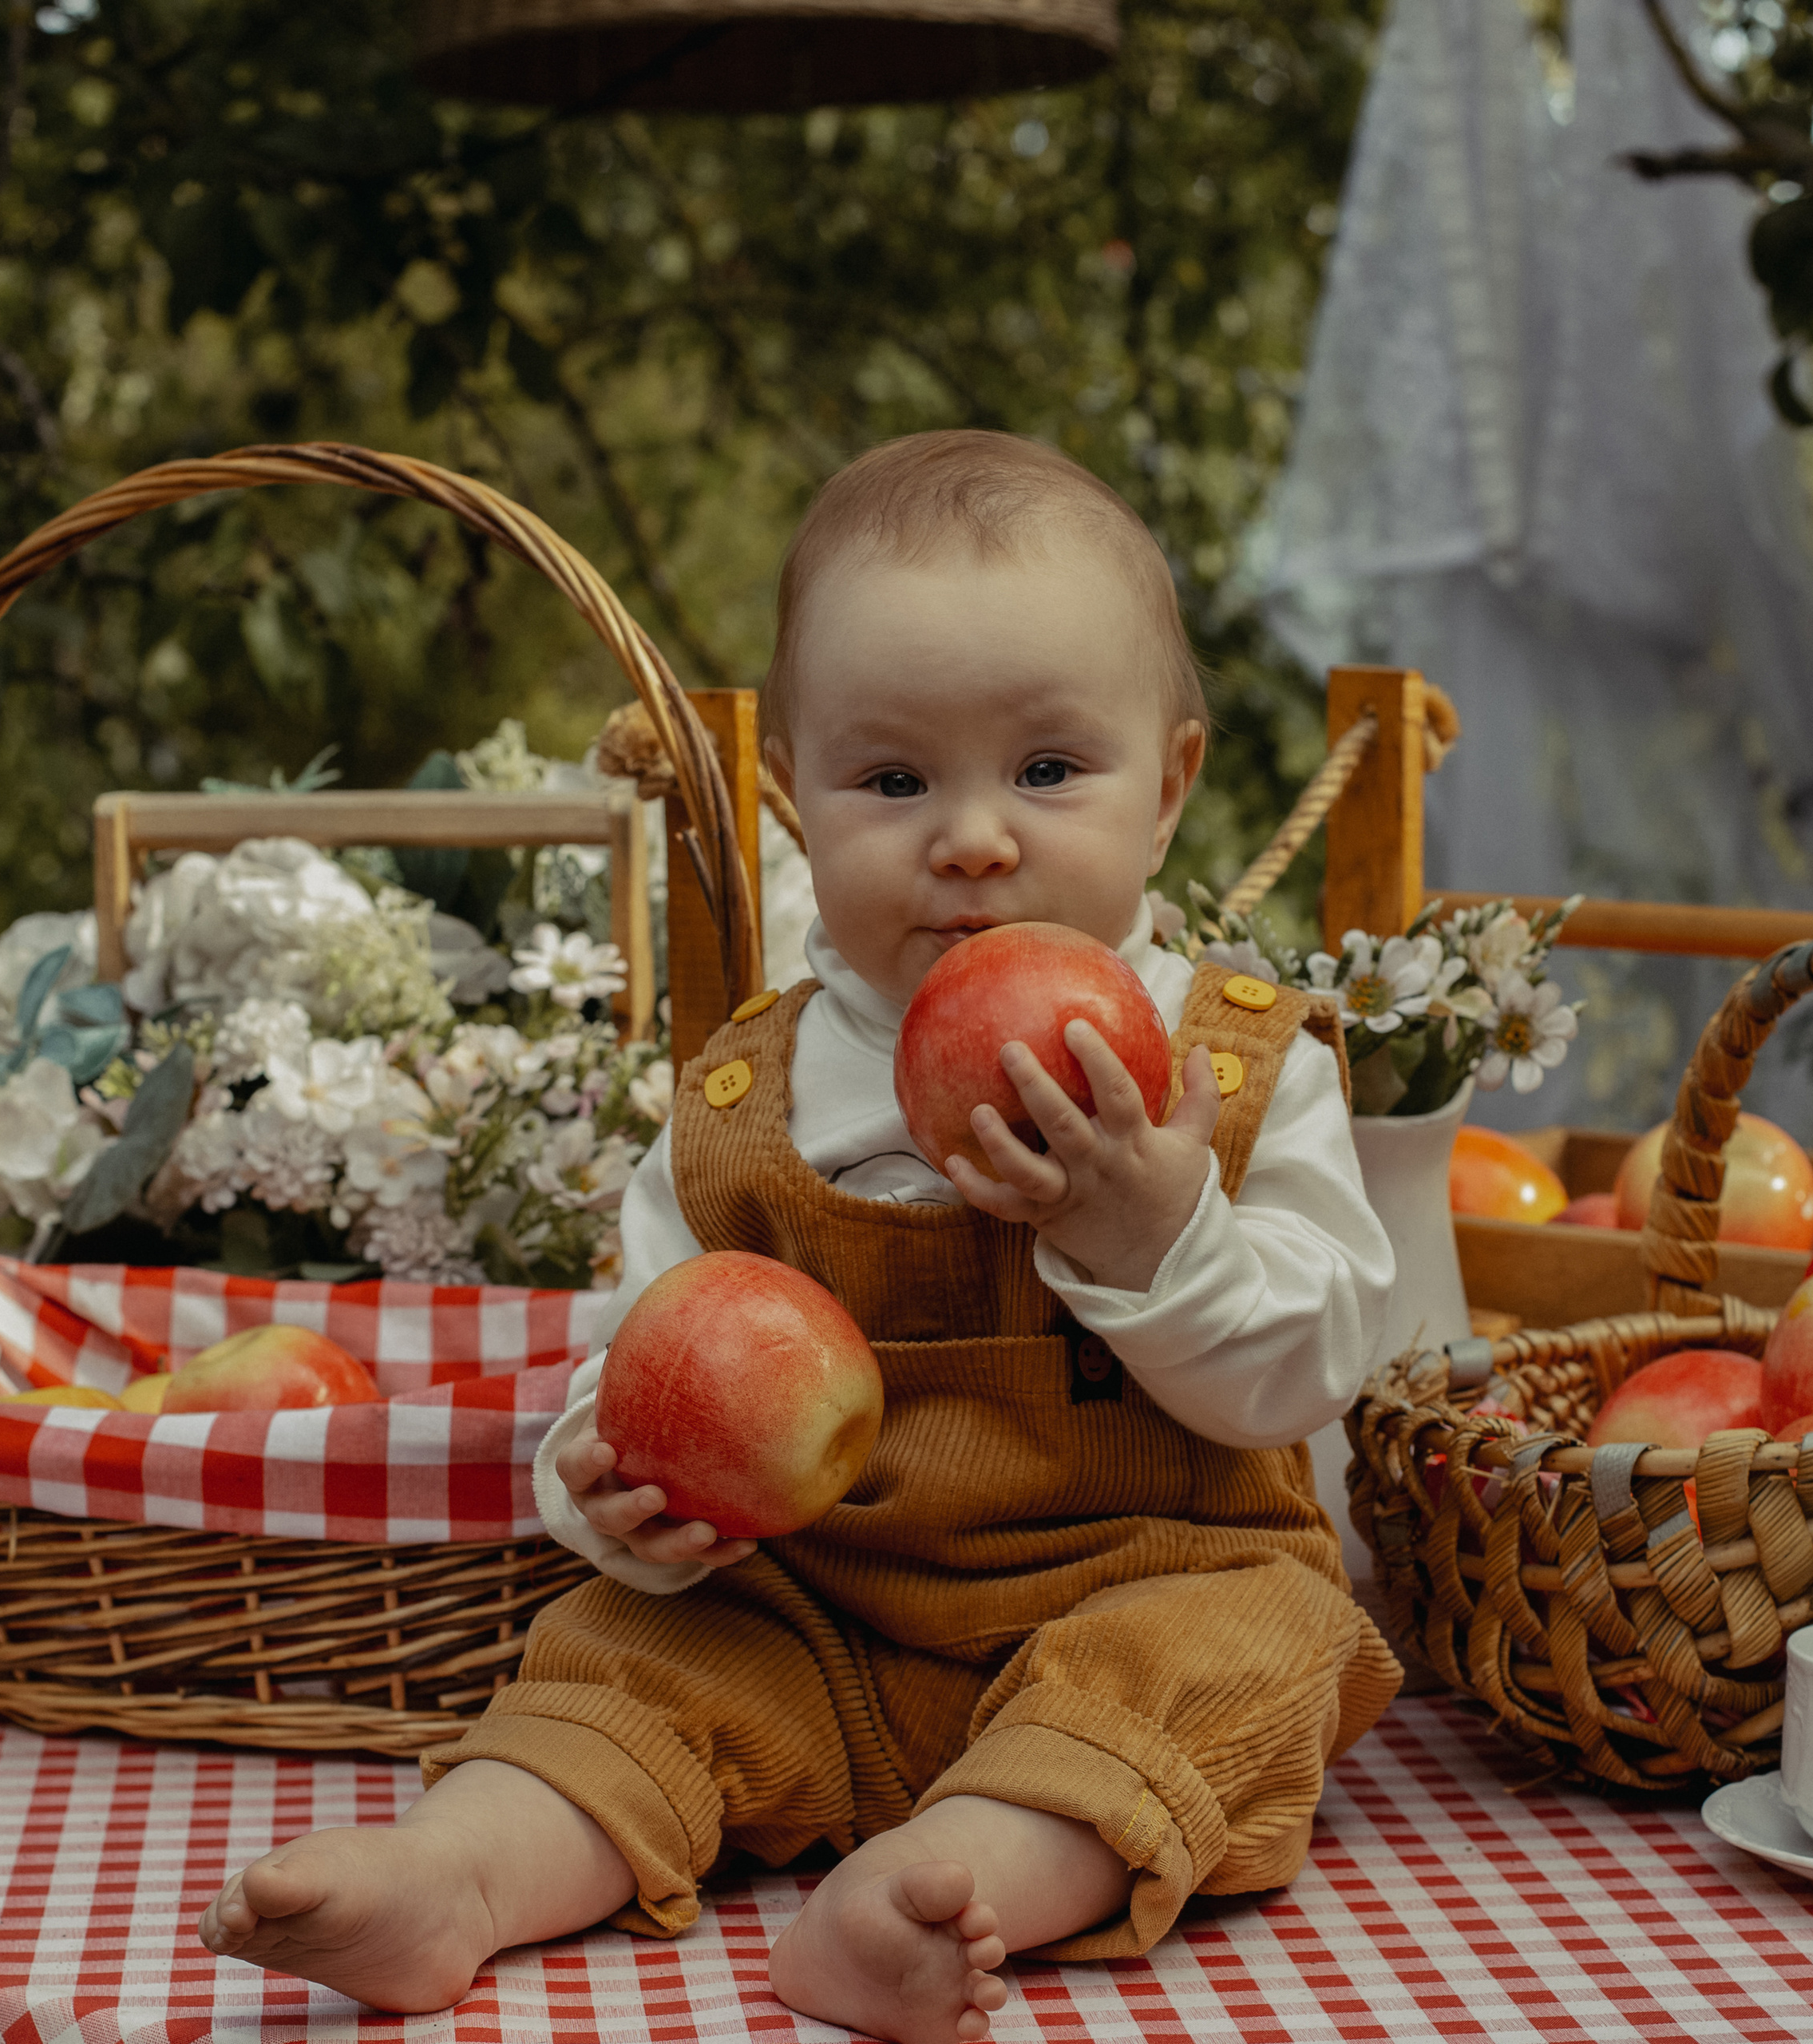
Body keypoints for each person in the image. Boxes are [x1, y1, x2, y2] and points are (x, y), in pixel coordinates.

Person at [199, 430, 1401, 2044]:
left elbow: (1308, 1365)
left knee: (1245, 1655)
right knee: (621, 1657)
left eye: (1048, 771)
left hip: (1140, 1581)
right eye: (892, 780)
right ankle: (460, 1875)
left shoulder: (1236, 1068)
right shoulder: (747, 1091)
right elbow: (632, 1356)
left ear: (1170, 784)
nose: (970, 837)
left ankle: (932, 1883)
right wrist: (612, 1492)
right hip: (809, 1617)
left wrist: (1156, 1227)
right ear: (800, 798)